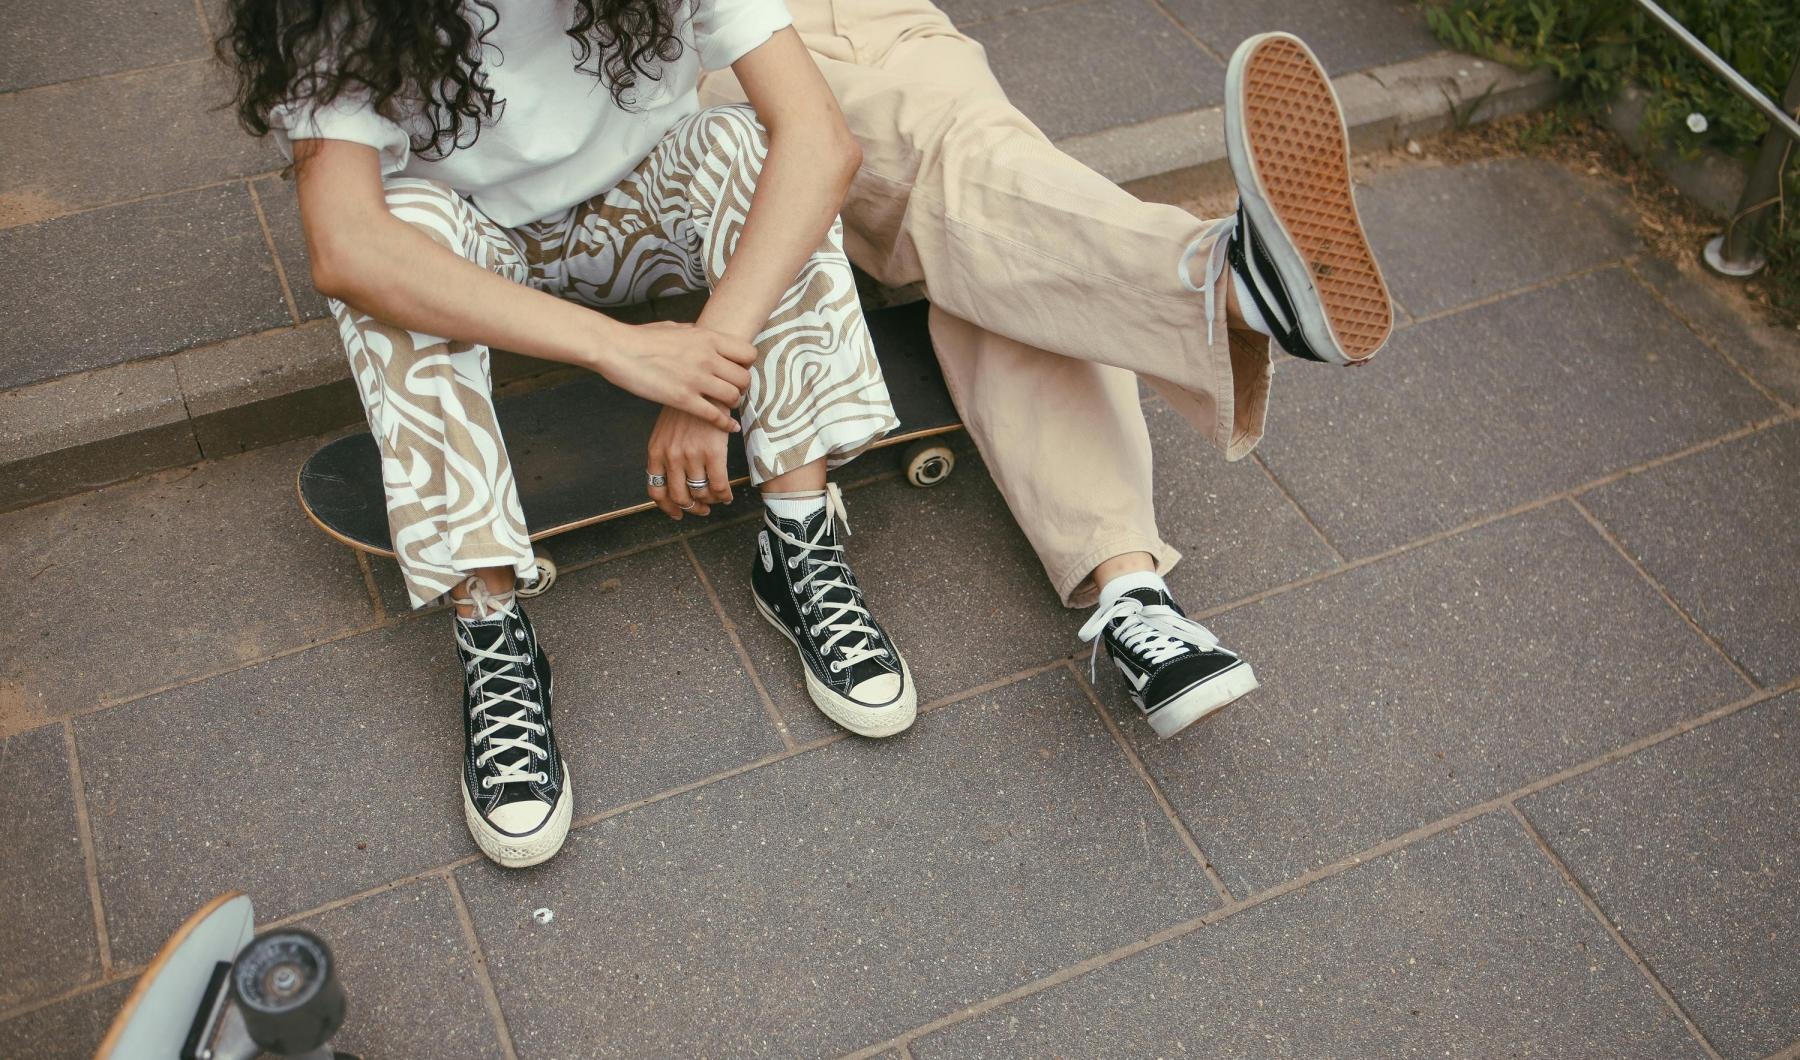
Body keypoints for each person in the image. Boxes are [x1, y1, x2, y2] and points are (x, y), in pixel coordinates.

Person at [222, 0, 919, 868]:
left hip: (643, 207)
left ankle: (799, 536)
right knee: (388, 261)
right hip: (476, 247)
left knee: (751, 148)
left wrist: (707, 375)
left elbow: (820, 138)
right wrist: (620, 353)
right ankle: (490, 629)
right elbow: (346, 246)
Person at [699, 5, 1393, 739]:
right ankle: (1221, 285)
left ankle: (1133, 595)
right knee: (962, 177)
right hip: (720, 46)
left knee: (995, 243)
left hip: (886, 16)